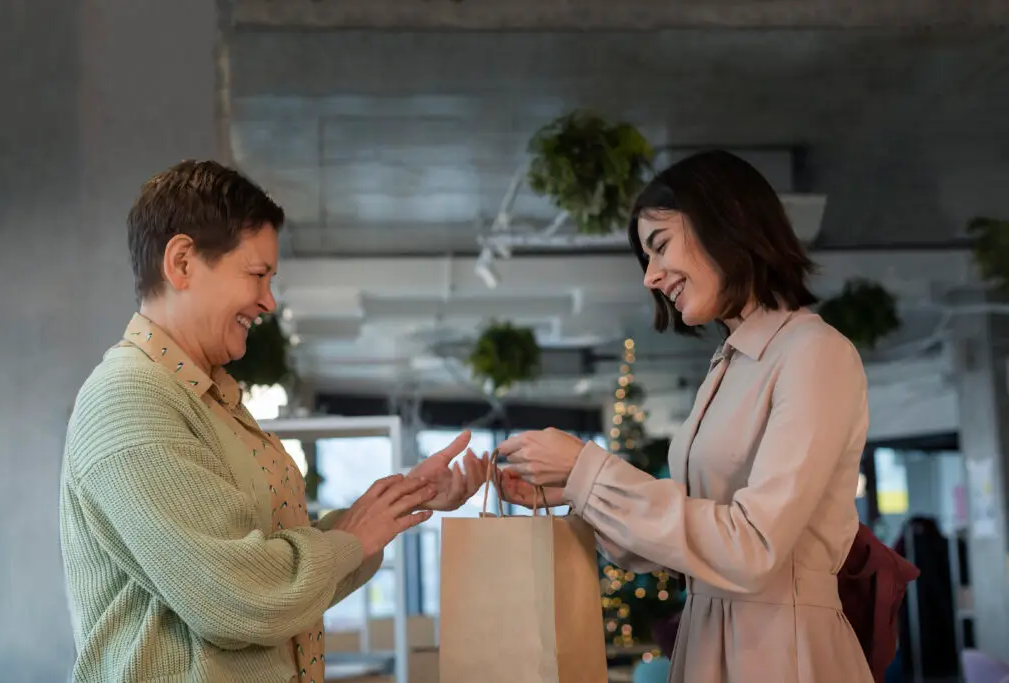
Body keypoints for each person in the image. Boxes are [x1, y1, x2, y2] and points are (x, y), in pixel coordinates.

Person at [60, 160, 487, 683]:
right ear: (182, 263)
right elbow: (244, 597)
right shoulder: (129, 399)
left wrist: (396, 505)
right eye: (257, 275)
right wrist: (353, 536)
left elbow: (280, 577)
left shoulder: (204, 397)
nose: (267, 301)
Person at [497, 150, 875, 683]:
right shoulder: (728, 366)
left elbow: (752, 547)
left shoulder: (815, 353)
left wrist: (589, 470)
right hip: (711, 643)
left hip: (780, 654)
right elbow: (686, 540)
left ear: (727, 221)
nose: (651, 276)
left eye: (660, 246)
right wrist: (576, 490)